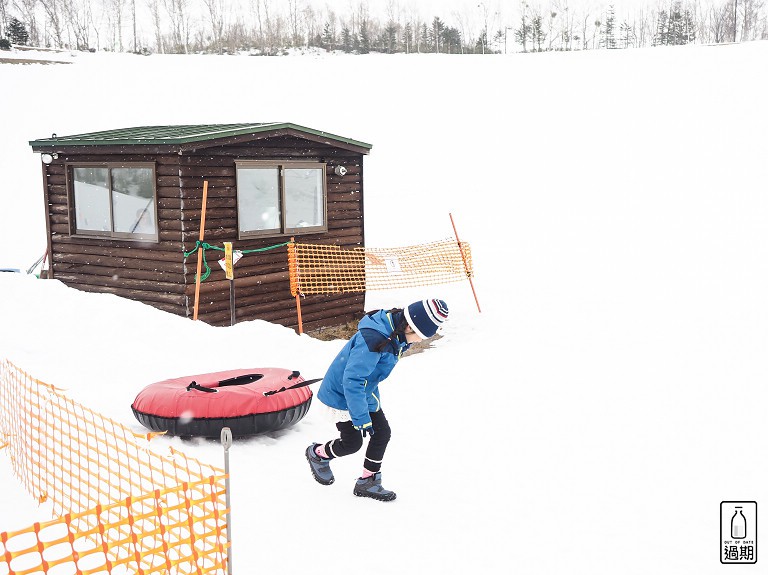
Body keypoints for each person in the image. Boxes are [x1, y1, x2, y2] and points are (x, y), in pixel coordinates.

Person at [305, 298, 449, 502]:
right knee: (352, 443)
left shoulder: (396, 334)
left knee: (382, 433)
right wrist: (361, 417)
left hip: (364, 391)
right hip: (343, 395)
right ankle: (318, 454)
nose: (419, 341)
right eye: (420, 336)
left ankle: (368, 480)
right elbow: (352, 380)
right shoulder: (374, 339)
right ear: (409, 325)